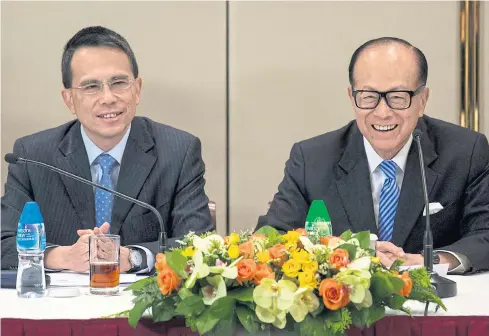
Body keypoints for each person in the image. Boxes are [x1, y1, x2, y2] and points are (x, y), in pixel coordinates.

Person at [257, 37, 489, 274]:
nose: (382, 112)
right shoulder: (312, 159)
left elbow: (485, 234)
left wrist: (432, 261)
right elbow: (272, 238)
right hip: (346, 305)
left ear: (422, 101)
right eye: (368, 97)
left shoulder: (465, 151)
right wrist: (351, 252)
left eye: (398, 97)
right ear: (352, 97)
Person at [1, 26, 214, 273]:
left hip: (143, 306)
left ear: (137, 89)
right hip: (61, 305)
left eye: (119, 82)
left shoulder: (178, 151)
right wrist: (62, 257)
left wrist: (133, 258)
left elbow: (199, 244)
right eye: (91, 87)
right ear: (69, 99)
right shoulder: (32, 156)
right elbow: (3, 242)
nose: (108, 97)